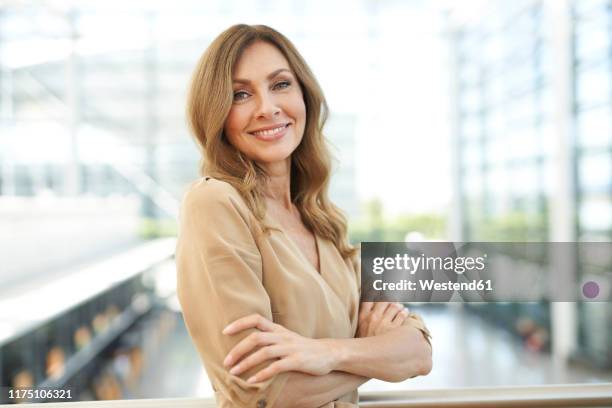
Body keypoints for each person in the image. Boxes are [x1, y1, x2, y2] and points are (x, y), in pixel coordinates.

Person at [176, 24, 432, 408]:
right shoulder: (214, 203)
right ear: (217, 113)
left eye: (280, 84)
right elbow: (262, 390)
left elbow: (419, 352)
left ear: (304, 96)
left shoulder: (322, 220)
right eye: (241, 94)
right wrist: (377, 354)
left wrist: (328, 353)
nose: (267, 108)